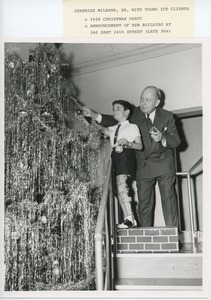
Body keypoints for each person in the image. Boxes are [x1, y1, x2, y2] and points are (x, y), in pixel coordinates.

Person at [84, 86, 181, 228]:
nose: (143, 103)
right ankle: (145, 236)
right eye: (142, 99)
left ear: (157, 102)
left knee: (169, 202)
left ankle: (173, 235)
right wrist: (93, 114)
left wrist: (162, 137)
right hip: (143, 164)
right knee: (144, 204)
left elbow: (176, 140)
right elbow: (113, 119)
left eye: (148, 100)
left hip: (163, 163)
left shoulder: (167, 116)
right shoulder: (135, 114)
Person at [83, 100, 142, 229]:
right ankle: (129, 217)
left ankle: (130, 218)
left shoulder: (132, 127)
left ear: (127, 112)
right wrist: (88, 115)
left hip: (126, 156)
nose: (114, 111)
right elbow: (98, 128)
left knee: (122, 186)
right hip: (115, 158)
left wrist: (127, 142)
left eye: (118, 109)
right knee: (118, 190)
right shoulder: (112, 128)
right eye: (113, 109)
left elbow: (139, 145)